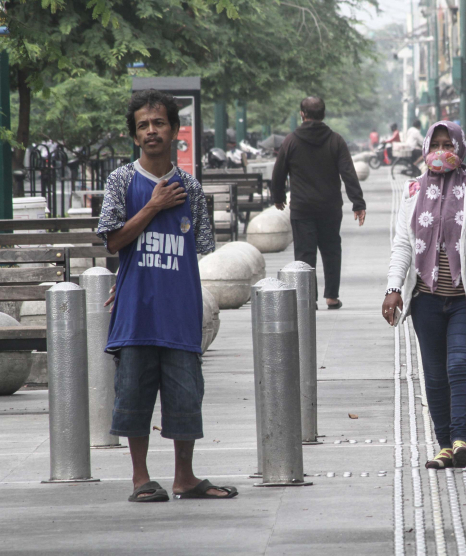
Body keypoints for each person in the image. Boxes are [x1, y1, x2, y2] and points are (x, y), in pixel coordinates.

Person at [96, 89, 237, 502]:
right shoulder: (121, 180)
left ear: (175, 130)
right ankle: (141, 480)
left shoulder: (190, 187)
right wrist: (154, 205)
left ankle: (185, 478)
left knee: (186, 396)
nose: (152, 131)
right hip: (135, 314)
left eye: (159, 123)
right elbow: (114, 241)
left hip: (179, 312)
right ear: (135, 135)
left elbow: (200, 248)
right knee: (133, 396)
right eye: (143, 125)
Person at [383, 121, 466, 470]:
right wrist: (394, 289)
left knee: (459, 364)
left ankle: (461, 440)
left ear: (460, 148)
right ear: (427, 148)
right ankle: (444, 445)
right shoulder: (413, 191)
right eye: (436, 144)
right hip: (426, 298)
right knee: (434, 374)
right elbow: (402, 245)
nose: (442, 151)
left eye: (449, 144)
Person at [271, 96, 366, 309]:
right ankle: (331, 296)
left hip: (302, 207)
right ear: (323, 114)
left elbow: (278, 173)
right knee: (332, 250)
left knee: (304, 253)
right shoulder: (336, 140)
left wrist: (277, 197)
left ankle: (308, 299)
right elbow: (348, 173)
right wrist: (358, 203)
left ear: (302, 114)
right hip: (330, 207)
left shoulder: (291, 141)